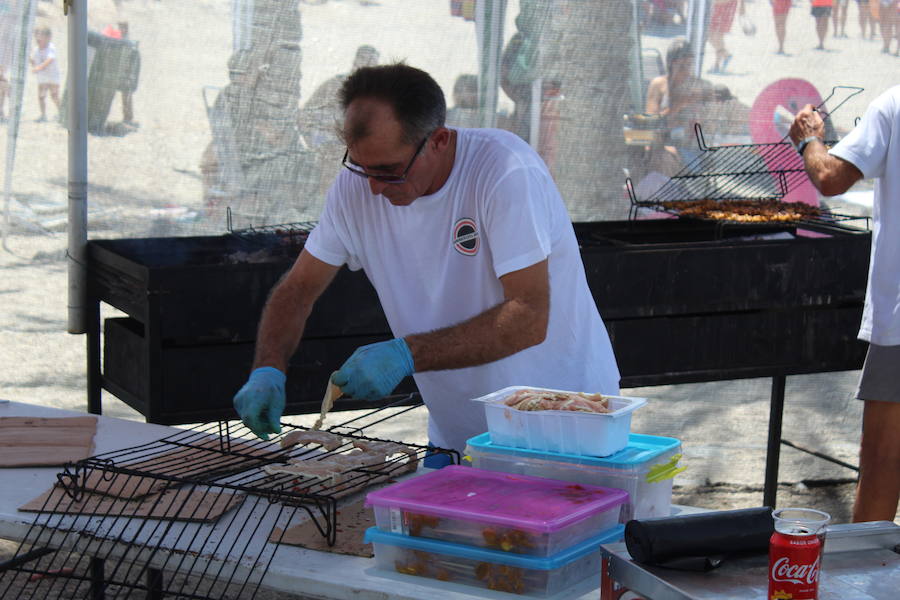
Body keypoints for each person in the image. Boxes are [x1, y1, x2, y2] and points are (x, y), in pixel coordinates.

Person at [232, 63, 621, 457]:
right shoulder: (357, 187)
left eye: (389, 170)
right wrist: (268, 368)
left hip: (567, 426)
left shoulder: (503, 171)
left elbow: (529, 317)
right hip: (457, 435)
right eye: (361, 166)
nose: (374, 187)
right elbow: (298, 290)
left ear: (438, 140)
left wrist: (406, 354)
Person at [789, 86, 900, 523]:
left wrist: (808, 139)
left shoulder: (893, 105)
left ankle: (866, 586)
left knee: (882, 469)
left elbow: (831, 178)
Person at [29, 26, 60, 123]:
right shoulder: (36, 49)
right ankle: (43, 115)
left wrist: (38, 68)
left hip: (52, 75)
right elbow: (34, 62)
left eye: (41, 35)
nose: (38, 38)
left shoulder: (51, 47)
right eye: (37, 35)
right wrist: (30, 60)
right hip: (42, 76)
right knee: (41, 96)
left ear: (48, 38)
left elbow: (50, 59)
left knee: (54, 95)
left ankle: (62, 112)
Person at [707, 0, 744, 73]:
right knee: (711, 35)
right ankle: (724, 55)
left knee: (718, 34)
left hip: (726, 5)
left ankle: (717, 64)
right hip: (716, 5)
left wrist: (742, 6)